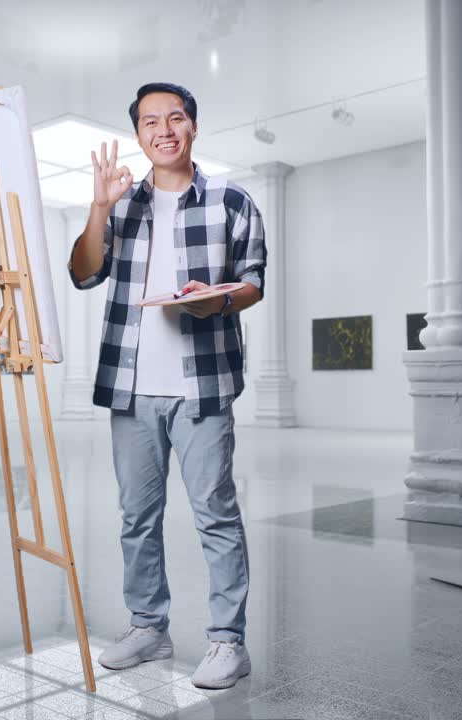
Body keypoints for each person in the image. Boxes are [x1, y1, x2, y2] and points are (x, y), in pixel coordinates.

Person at [66, 82, 266, 690]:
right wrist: (99, 207)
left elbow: (253, 282)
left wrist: (217, 301)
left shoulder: (232, 200)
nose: (164, 129)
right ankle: (148, 628)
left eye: (175, 117)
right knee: (136, 517)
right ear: (139, 135)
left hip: (202, 387)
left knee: (216, 516)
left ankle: (228, 642)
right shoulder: (122, 207)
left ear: (193, 127)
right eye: (150, 121)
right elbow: (82, 272)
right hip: (131, 387)